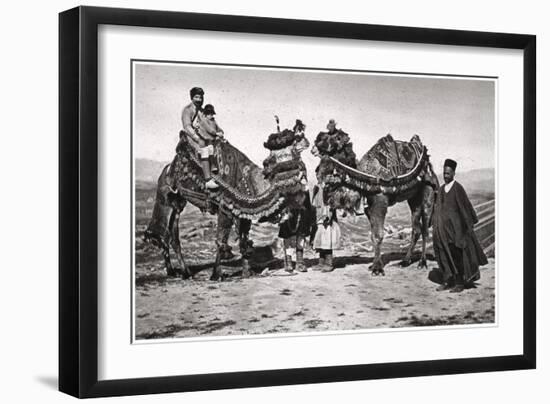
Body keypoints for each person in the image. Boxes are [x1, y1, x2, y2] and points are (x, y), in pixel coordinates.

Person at [429, 159, 488, 292]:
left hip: (456, 231)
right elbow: (438, 209)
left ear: (454, 173)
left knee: (457, 255)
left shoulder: (458, 188)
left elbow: (465, 208)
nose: (445, 176)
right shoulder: (442, 189)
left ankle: (460, 283)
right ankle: (448, 280)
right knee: (444, 255)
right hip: (443, 231)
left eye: (448, 174)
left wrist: (465, 229)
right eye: (444, 173)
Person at [180, 87, 218, 190]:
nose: (199, 100)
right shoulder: (187, 110)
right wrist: (196, 137)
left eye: (201, 97)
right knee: (204, 148)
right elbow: (187, 126)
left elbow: (208, 124)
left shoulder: (202, 111)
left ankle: (214, 167)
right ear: (192, 98)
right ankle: (207, 179)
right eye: (196, 97)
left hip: (203, 135)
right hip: (191, 136)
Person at [311, 184, 341, 272]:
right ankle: (321, 262)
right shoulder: (317, 188)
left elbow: (330, 204)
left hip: (327, 219)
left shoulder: (329, 188)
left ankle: (329, 263)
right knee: (320, 242)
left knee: (327, 242)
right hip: (319, 218)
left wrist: (328, 216)